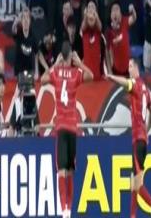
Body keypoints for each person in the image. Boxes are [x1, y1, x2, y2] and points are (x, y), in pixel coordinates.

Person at [41, 42, 93, 218]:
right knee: (70, 170)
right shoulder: (76, 73)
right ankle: (68, 209)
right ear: (71, 56)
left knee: (62, 170)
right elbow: (91, 76)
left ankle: (64, 210)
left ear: (60, 56)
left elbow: (42, 80)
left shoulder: (55, 73)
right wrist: (80, 63)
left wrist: (54, 65)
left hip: (61, 127)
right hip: (72, 127)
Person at [106, 59, 151, 218]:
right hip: (142, 139)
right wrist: (148, 129)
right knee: (134, 181)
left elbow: (125, 83)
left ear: (136, 68)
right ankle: (132, 215)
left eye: (130, 66)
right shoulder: (146, 90)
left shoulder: (136, 85)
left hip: (137, 139)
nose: (128, 69)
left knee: (137, 184)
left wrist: (111, 77)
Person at [107, 2, 137, 76]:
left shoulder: (124, 21)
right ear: (110, 15)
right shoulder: (108, 32)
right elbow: (107, 53)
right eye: (113, 10)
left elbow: (134, 18)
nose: (115, 12)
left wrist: (132, 10)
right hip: (116, 69)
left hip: (128, 68)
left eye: (117, 9)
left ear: (120, 13)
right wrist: (109, 71)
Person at [80, 1, 107, 81]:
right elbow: (83, 27)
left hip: (97, 74)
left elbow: (100, 27)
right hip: (86, 75)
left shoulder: (98, 31)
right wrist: (86, 15)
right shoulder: (84, 30)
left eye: (93, 8)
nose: (91, 10)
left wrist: (95, 14)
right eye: (89, 7)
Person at [12, 8, 37, 76]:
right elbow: (13, 30)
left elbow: (36, 53)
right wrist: (16, 21)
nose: (26, 20)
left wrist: (36, 72)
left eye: (27, 18)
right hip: (19, 71)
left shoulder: (33, 36)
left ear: (30, 21)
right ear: (21, 21)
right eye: (24, 18)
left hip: (30, 71)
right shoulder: (18, 33)